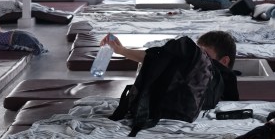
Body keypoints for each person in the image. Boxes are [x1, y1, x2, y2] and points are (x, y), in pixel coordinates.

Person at [101, 30, 240, 100]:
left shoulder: (220, 78)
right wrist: (123, 50)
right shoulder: (201, 73)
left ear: (224, 61)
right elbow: (160, 59)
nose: (199, 60)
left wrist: (123, 51)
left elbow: (161, 60)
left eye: (205, 56)